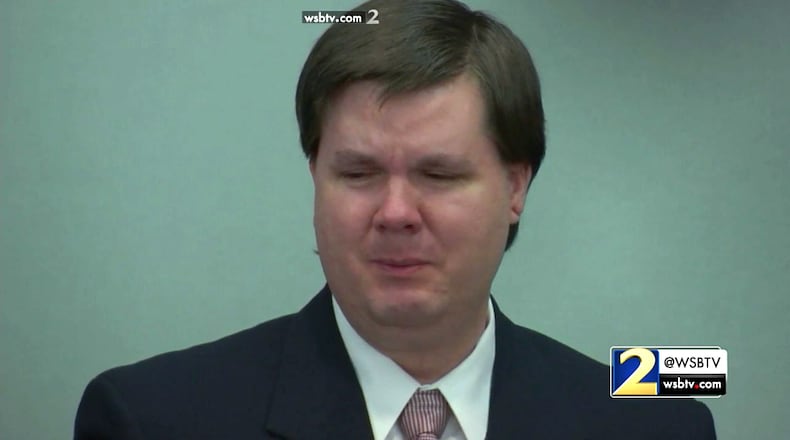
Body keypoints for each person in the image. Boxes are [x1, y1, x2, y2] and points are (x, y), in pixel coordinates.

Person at [74, 0, 717, 438]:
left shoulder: (648, 423)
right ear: (314, 178)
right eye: (358, 174)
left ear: (516, 185)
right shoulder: (152, 418)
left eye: (438, 175)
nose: (395, 213)